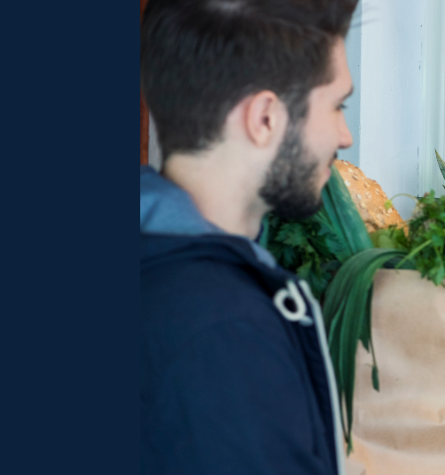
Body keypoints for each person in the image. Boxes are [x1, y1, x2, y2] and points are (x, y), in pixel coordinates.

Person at [139, 0, 357, 473]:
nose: (345, 136)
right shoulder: (221, 331)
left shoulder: (156, 261)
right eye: (337, 105)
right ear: (265, 119)